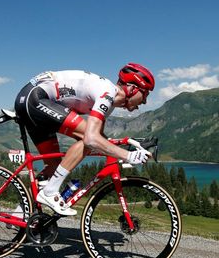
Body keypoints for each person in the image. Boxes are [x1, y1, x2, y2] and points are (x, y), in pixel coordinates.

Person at [13, 63, 155, 215]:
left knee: (53, 167)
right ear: (132, 89)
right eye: (145, 94)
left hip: (33, 100)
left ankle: (19, 214)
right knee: (88, 138)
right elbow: (91, 139)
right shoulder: (107, 93)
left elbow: (100, 138)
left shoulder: (108, 101)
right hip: (35, 98)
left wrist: (125, 144)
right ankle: (50, 193)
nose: (145, 101)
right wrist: (128, 156)